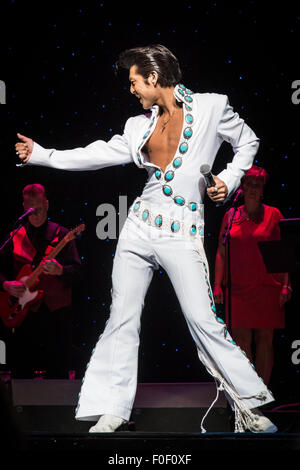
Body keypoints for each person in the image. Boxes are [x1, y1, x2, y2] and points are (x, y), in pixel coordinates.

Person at [15, 44, 278, 433]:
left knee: (202, 319)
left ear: (154, 78)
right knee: (122, 317)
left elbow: (249, 142)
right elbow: (97, 153)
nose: (132, 89)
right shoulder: (138, 126)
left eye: (135, 81)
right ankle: (114, 409)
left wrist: (228, 178)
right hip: (139, 227)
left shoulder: (211, 107)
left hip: (181, 232)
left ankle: (249, 406)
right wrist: (43, 154)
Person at [213, 165, 291, 386]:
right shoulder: (231, 216)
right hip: (237, 289)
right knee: (241, 341)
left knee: (265, 339)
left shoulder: (274, 214)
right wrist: (217, 285)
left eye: (258, 185)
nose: (253, 189)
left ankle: (263, 393)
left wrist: (286, 285)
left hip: (267, 286)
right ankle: (249, 393)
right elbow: (221, 251)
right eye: (250, 184)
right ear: (243, 187)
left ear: (263, 189)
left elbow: (284, 253)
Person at [0, 184, 81, 378]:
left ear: (47, 205)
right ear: (24, 207)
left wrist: (61, 270)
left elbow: (78, 272)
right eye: (31, 209)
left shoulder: (62, 234)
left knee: (57, 371)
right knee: (22, 370)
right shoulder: (14, 236)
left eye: (39, 208)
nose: (35, 213)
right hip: (24, 314)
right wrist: (6, 285)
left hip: (56, 314)